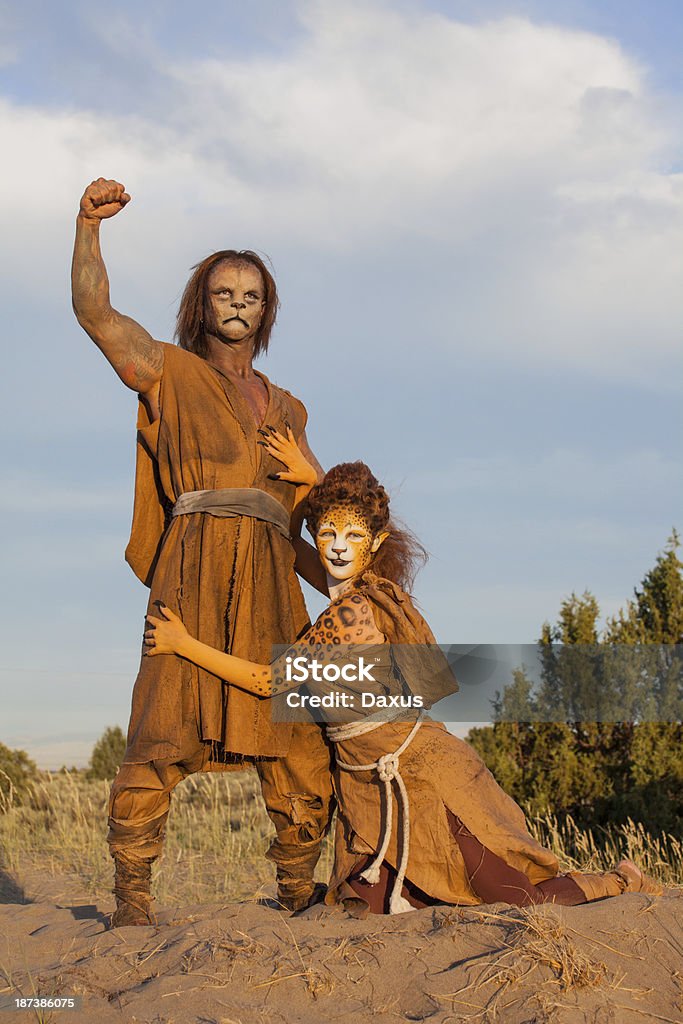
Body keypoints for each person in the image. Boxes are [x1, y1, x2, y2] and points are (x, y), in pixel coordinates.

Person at [145, 436, 662, 914]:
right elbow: (301, 554)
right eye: (328, 532)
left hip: (420, 773)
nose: (339, 545)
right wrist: (309, 481)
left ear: (375, 541)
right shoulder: (358, 588)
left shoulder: (351, 614)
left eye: (353, 535)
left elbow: (266, 681)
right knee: (365, 909)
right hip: (368, 781)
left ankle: (620, 881)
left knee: (514, 899)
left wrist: (183, 643)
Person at [71, 178, 334, 925]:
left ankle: (295, 893)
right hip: (189, 568)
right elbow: (94, 313)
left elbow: (311, 514)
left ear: (266, 309)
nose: (238, 302)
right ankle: (132, 898)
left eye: (251, 294)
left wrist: (341, 584)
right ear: (202, 303)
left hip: (271, 577)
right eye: (224, 291)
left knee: (295, 740)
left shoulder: (288, 407)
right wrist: (87, 226)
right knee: (160, 727)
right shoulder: (167, 371)